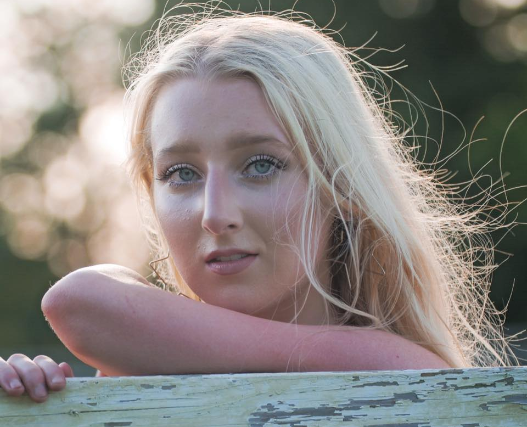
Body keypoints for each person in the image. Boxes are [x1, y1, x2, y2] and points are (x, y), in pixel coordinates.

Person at [0, 2, 521, 403]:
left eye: (261, 165)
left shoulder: (404, 375)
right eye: (181, 174)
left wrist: (153, 352)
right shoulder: (126, 371)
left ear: (342, 187)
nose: (214, 215)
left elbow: (79, 304)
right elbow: (82, 302)